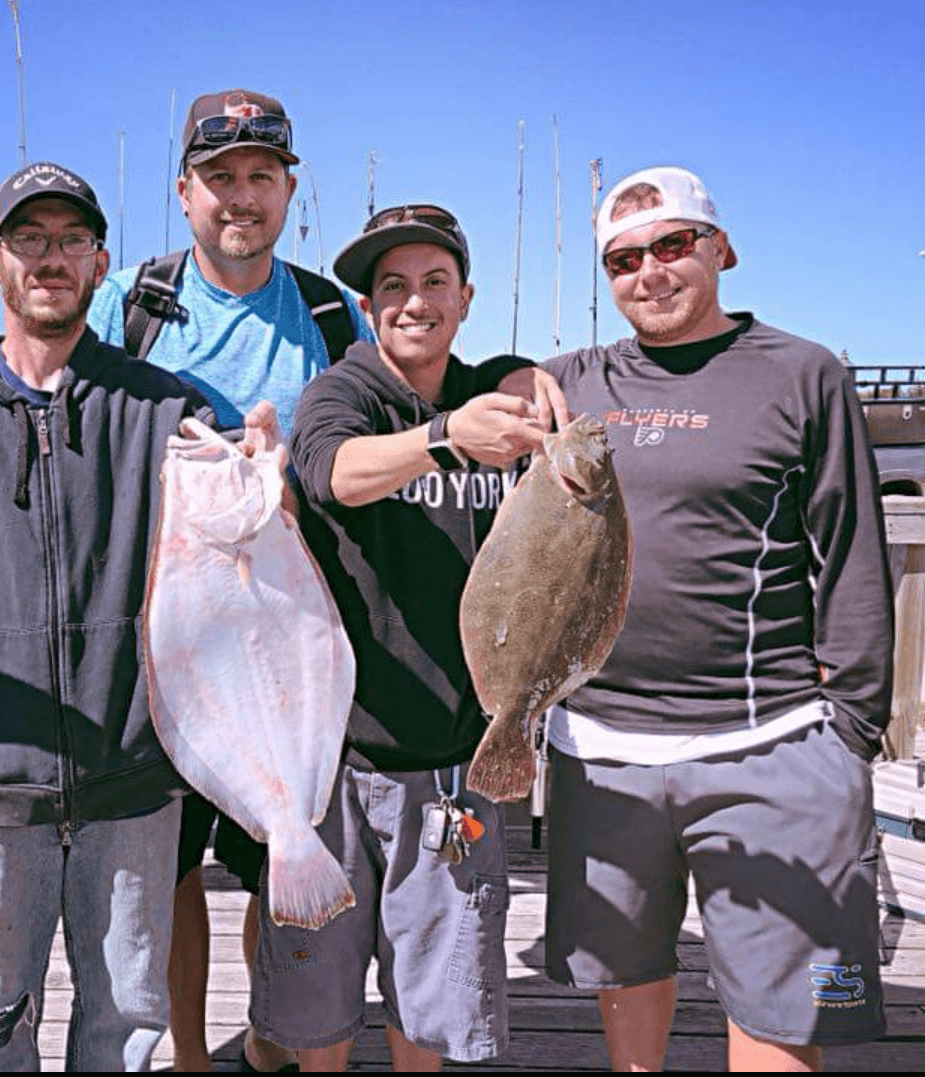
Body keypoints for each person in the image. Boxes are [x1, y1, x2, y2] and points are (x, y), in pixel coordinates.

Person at [0, 161, 278, 1072]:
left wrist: (263, 482)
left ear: (101, 263)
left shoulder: (164, 410)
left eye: (71, 241)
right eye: (30, 240)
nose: (50, 258)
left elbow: (237, 559)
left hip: (131, 786)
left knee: (126, 1032)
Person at [540, 165, 892, 1071]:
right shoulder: (561, 383)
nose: (649, 272)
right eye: (623, 259)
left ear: (720, 249)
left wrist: (850, 729)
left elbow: (850, 549)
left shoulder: (804, 373)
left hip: (770, 742)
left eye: (672, 245)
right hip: (600, 752)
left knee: (793, 1011)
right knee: (625, 981)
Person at [88, 87, 371, 1074]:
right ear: (183, 192)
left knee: (273, 856)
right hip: (162, 639)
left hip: (281, 640)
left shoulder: (335, 315)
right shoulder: (126, 300)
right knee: (165, 870)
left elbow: (389, 428)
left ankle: (269, 1036)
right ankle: (190, 1057)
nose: (239, 197)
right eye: (219, 180)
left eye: (260, 176)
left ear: (290, 188)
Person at [254, 204, 563, 1070]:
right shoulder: (342, 393)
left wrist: (529, 381)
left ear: (465, 298)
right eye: (392, 286)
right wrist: (441, 438)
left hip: (460, 764)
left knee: (434, 1001)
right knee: (315, 1011)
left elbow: (576, 409)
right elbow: (333, 473)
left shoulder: (500, 389)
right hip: (331, 764)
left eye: (434, 282)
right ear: (368, 307)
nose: (414, 301)